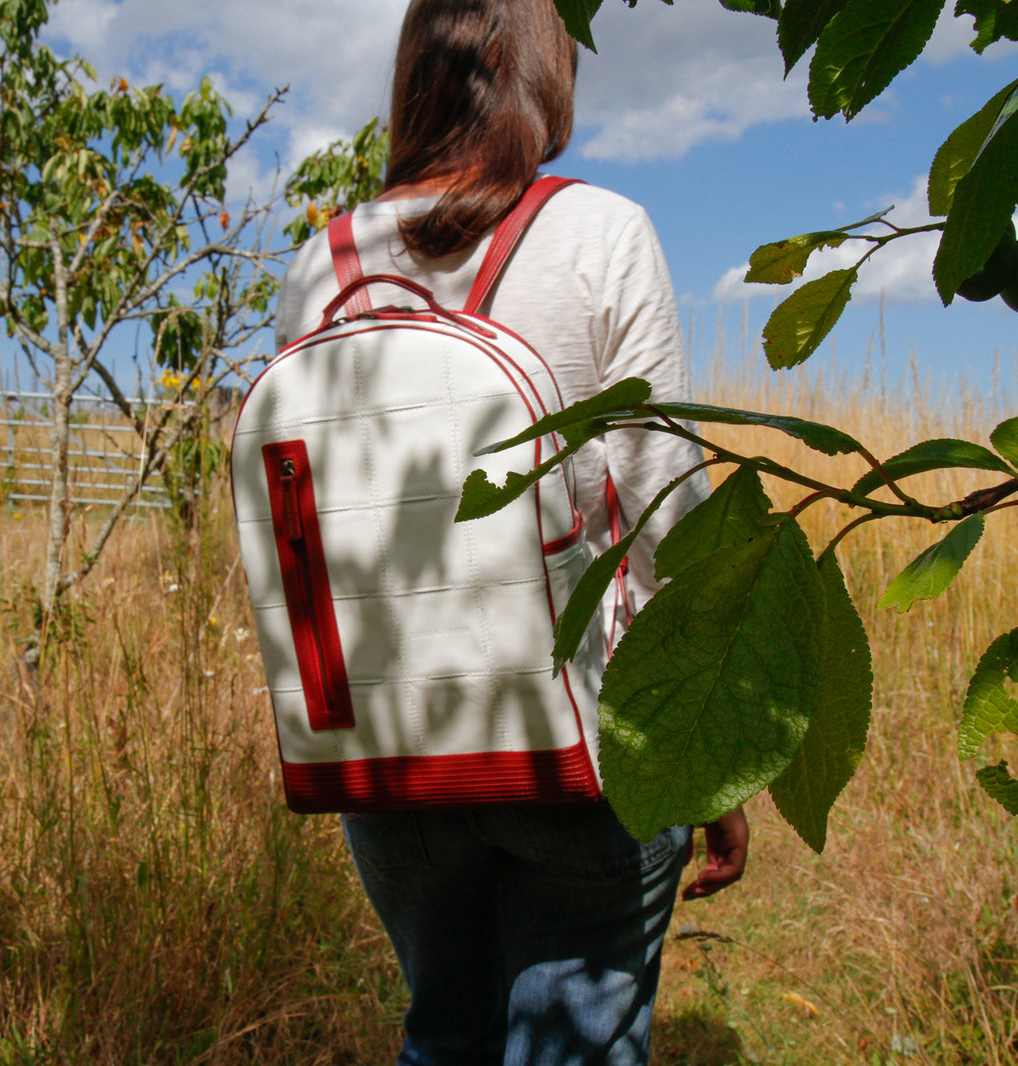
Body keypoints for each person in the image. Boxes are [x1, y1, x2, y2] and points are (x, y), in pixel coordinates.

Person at [272, 1, 750, 1062]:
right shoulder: (600, 233)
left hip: (386, 744)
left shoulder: (323, 265)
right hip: (580, 740)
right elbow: (666, 501)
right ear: (548, 72)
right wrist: (710, 766)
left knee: (443, 1029)